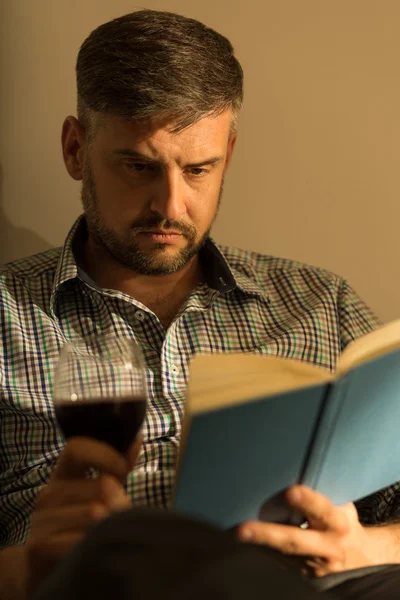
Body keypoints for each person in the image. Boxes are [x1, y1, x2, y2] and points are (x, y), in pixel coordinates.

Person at [0, 9, 400, 600]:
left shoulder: (321, 304)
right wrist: (30, 568)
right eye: (138, 166)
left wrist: (370, 548)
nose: (171, 204)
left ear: (228, 155)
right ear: (75, 149)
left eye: (198, 169)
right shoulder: (8, 316)